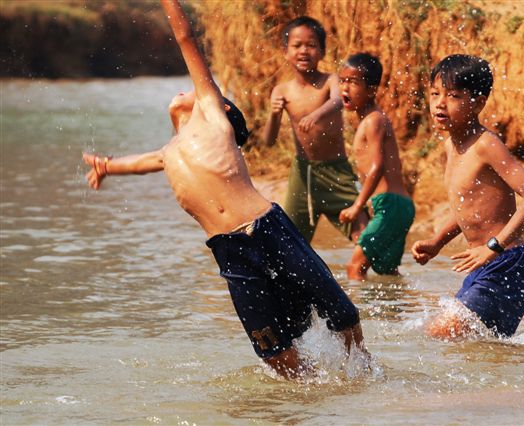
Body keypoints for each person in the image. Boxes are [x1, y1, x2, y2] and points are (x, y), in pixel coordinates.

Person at [82, 0, 367, 379]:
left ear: (225, 112)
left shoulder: (211, 115)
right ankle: (312, 387)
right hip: (230, 252)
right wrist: (105, 166)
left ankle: (364, 369)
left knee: (340, 311)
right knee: (270, 348)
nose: (185, 93)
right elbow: (131, 164)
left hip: (266, 227)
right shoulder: (168, 153)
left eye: (191, 91)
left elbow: (185, 37)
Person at [411, 54, 524, 339]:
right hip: (486, 264)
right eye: (435, 93)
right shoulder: (450, 146)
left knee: (442, 334)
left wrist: (494, 246)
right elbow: (470, 208)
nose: (440, 103)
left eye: (454, 96)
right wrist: (437, 242)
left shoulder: (487, 145)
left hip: (508, 263)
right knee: (478, 348)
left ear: (479, 102)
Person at [263, 16, 368, 248]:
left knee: (365, 236)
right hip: (302, 175)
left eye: (311, 45)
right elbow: (268, 141)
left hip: (336, 172)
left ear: (322, 51)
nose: (304, 51)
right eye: (297, 45)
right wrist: (273, 114)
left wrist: (316, 115)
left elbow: (338, 100)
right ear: (285, 51)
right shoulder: (282, 90)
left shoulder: (331, 80)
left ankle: (377, 277)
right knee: (289, 244)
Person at [337, 53, 415, 280]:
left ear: (371, 90)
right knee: (387, 273)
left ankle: (358, 315)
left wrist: (357, 206)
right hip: (394, 206)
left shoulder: (373, 120)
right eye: (342, 81)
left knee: (354, 268)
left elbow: (377, 167)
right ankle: (397, 313)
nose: (345, 88)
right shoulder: (368, 120)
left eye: (353, 82)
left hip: (390, 206)